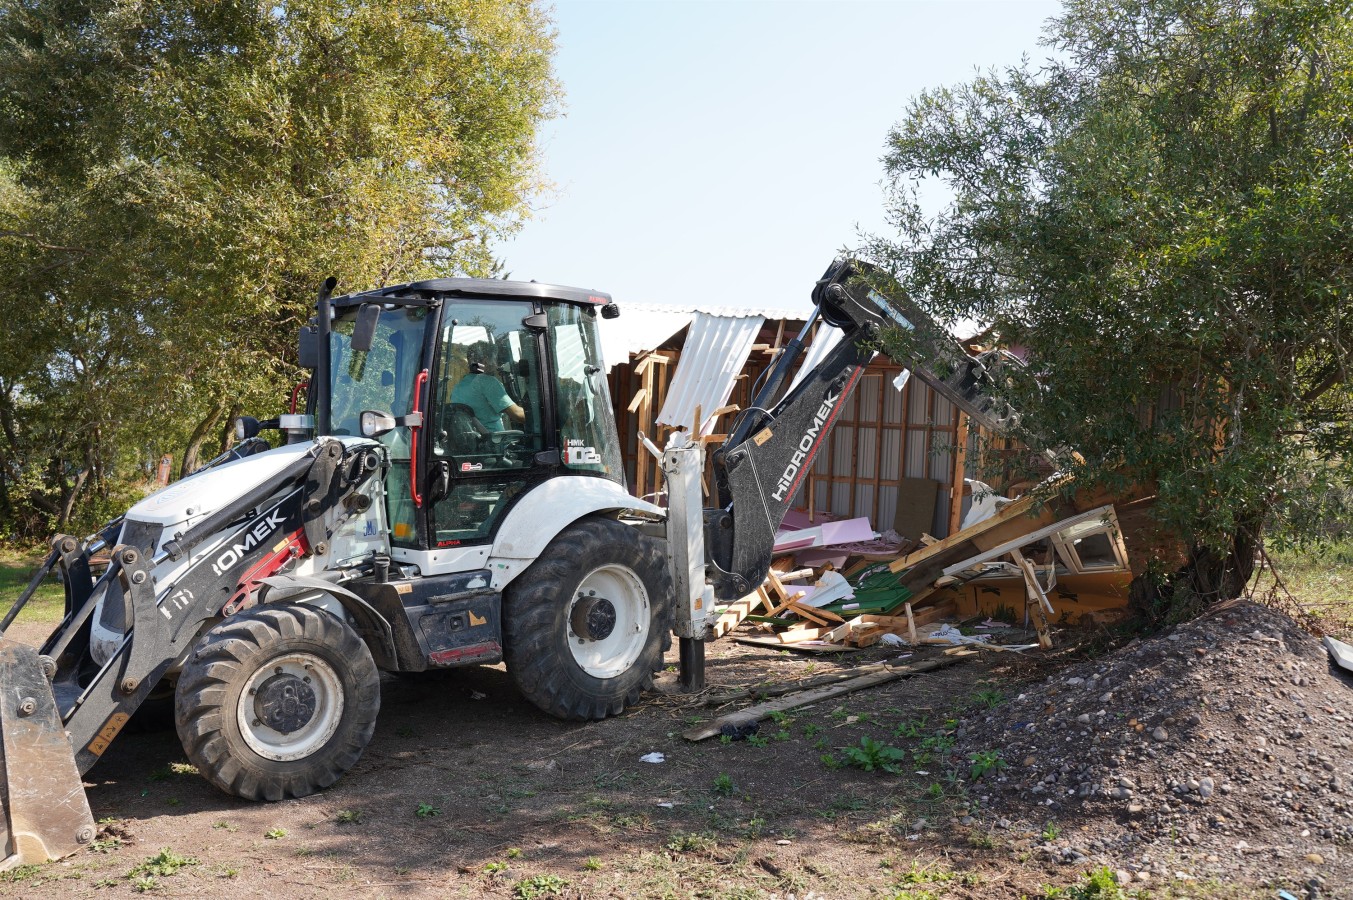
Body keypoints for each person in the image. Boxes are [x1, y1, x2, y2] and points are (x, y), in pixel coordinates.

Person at [449, 342, 524, 434]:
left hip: (473, 442)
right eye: (495, 360)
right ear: (486, 361)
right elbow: (518, 415)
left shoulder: (459, 385)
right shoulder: (488, 382)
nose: (496, 365)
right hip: (494, 442)